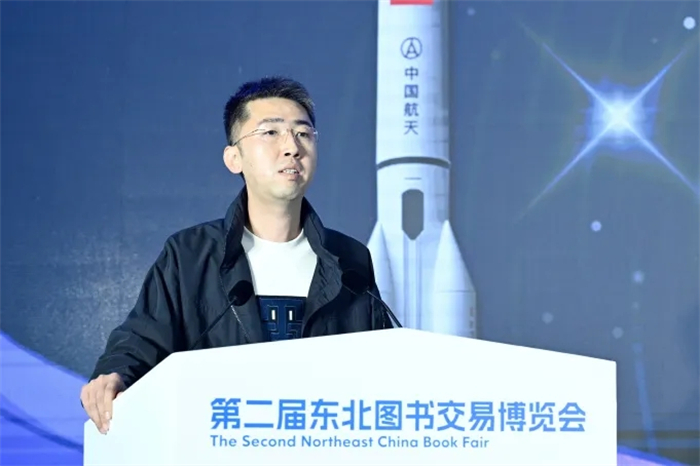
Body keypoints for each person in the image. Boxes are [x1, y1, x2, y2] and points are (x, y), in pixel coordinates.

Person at [79, 76, 390, 434]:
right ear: (234, 158)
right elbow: (140, 341)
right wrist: (114, 376)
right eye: (270, 132)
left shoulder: (349, 260)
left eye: (303, 133)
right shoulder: (190, 255)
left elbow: (382, 364)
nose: (292, 147)